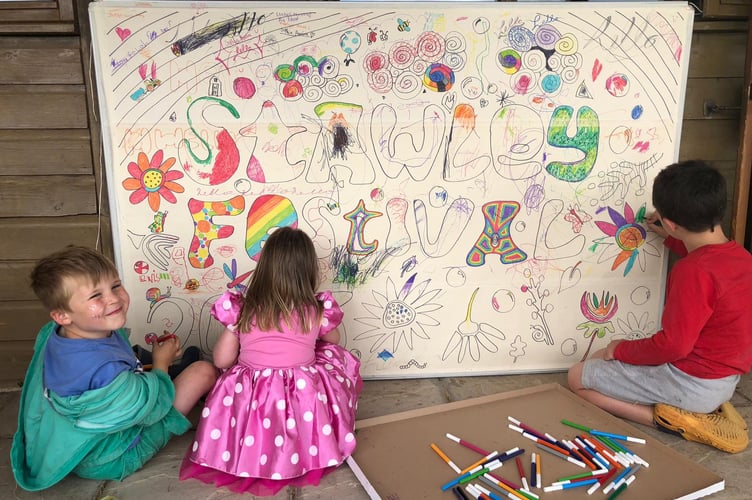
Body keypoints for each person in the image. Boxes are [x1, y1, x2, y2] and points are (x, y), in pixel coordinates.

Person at [568, 160, 752, 453]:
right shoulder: (742, 258)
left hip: (691, 383)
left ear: (670, 223)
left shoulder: (693, 272)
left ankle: (673, 420)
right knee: (604, 362)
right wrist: (672, 239)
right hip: (724, 382)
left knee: (579, 377)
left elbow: (673, 346)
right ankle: (693, 408)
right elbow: (710, 271)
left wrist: (619, 348)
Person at [11, 246, 218, 491]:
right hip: (110, 457)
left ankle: (162, 369)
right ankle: (174, 373)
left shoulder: (55, 333)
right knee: (203, 372)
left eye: (115, 285)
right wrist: (161, 364)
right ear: (62, 315)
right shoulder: (105, 370)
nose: (113, 298)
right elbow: (151, 409)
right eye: (95, 296)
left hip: (78, 437)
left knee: (147, 362)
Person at [179, 226, 363, 496]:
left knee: (233, 384)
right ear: (309, 271)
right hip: (301, 394)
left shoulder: (243, 309)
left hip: (251, 394)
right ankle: (303, 450)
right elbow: (333, 340)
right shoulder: (316, 309)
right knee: (333, 359)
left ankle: (250, 454)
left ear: (264, 267)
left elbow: (222, 359)